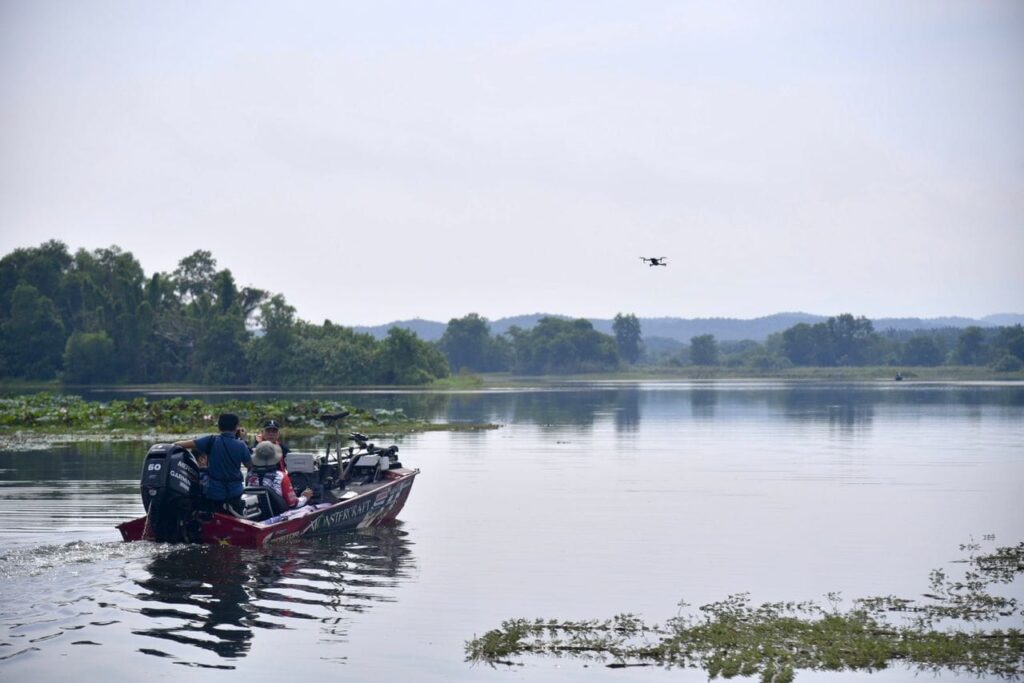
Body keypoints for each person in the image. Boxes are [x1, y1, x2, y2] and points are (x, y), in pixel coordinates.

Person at [176, 413, 252, 515]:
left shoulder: (210, 440)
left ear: (219, 427)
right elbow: (249, 465)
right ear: (237, 427)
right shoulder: (241, 445)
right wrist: (243, 440)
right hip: (235, 492)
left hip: (214, 493)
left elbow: (181, 444)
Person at [246, 441, 313, 513]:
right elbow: (293, 504)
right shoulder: (280, 476)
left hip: (258, 514)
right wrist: (305, 497)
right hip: (278, 515)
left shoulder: (249, 476)